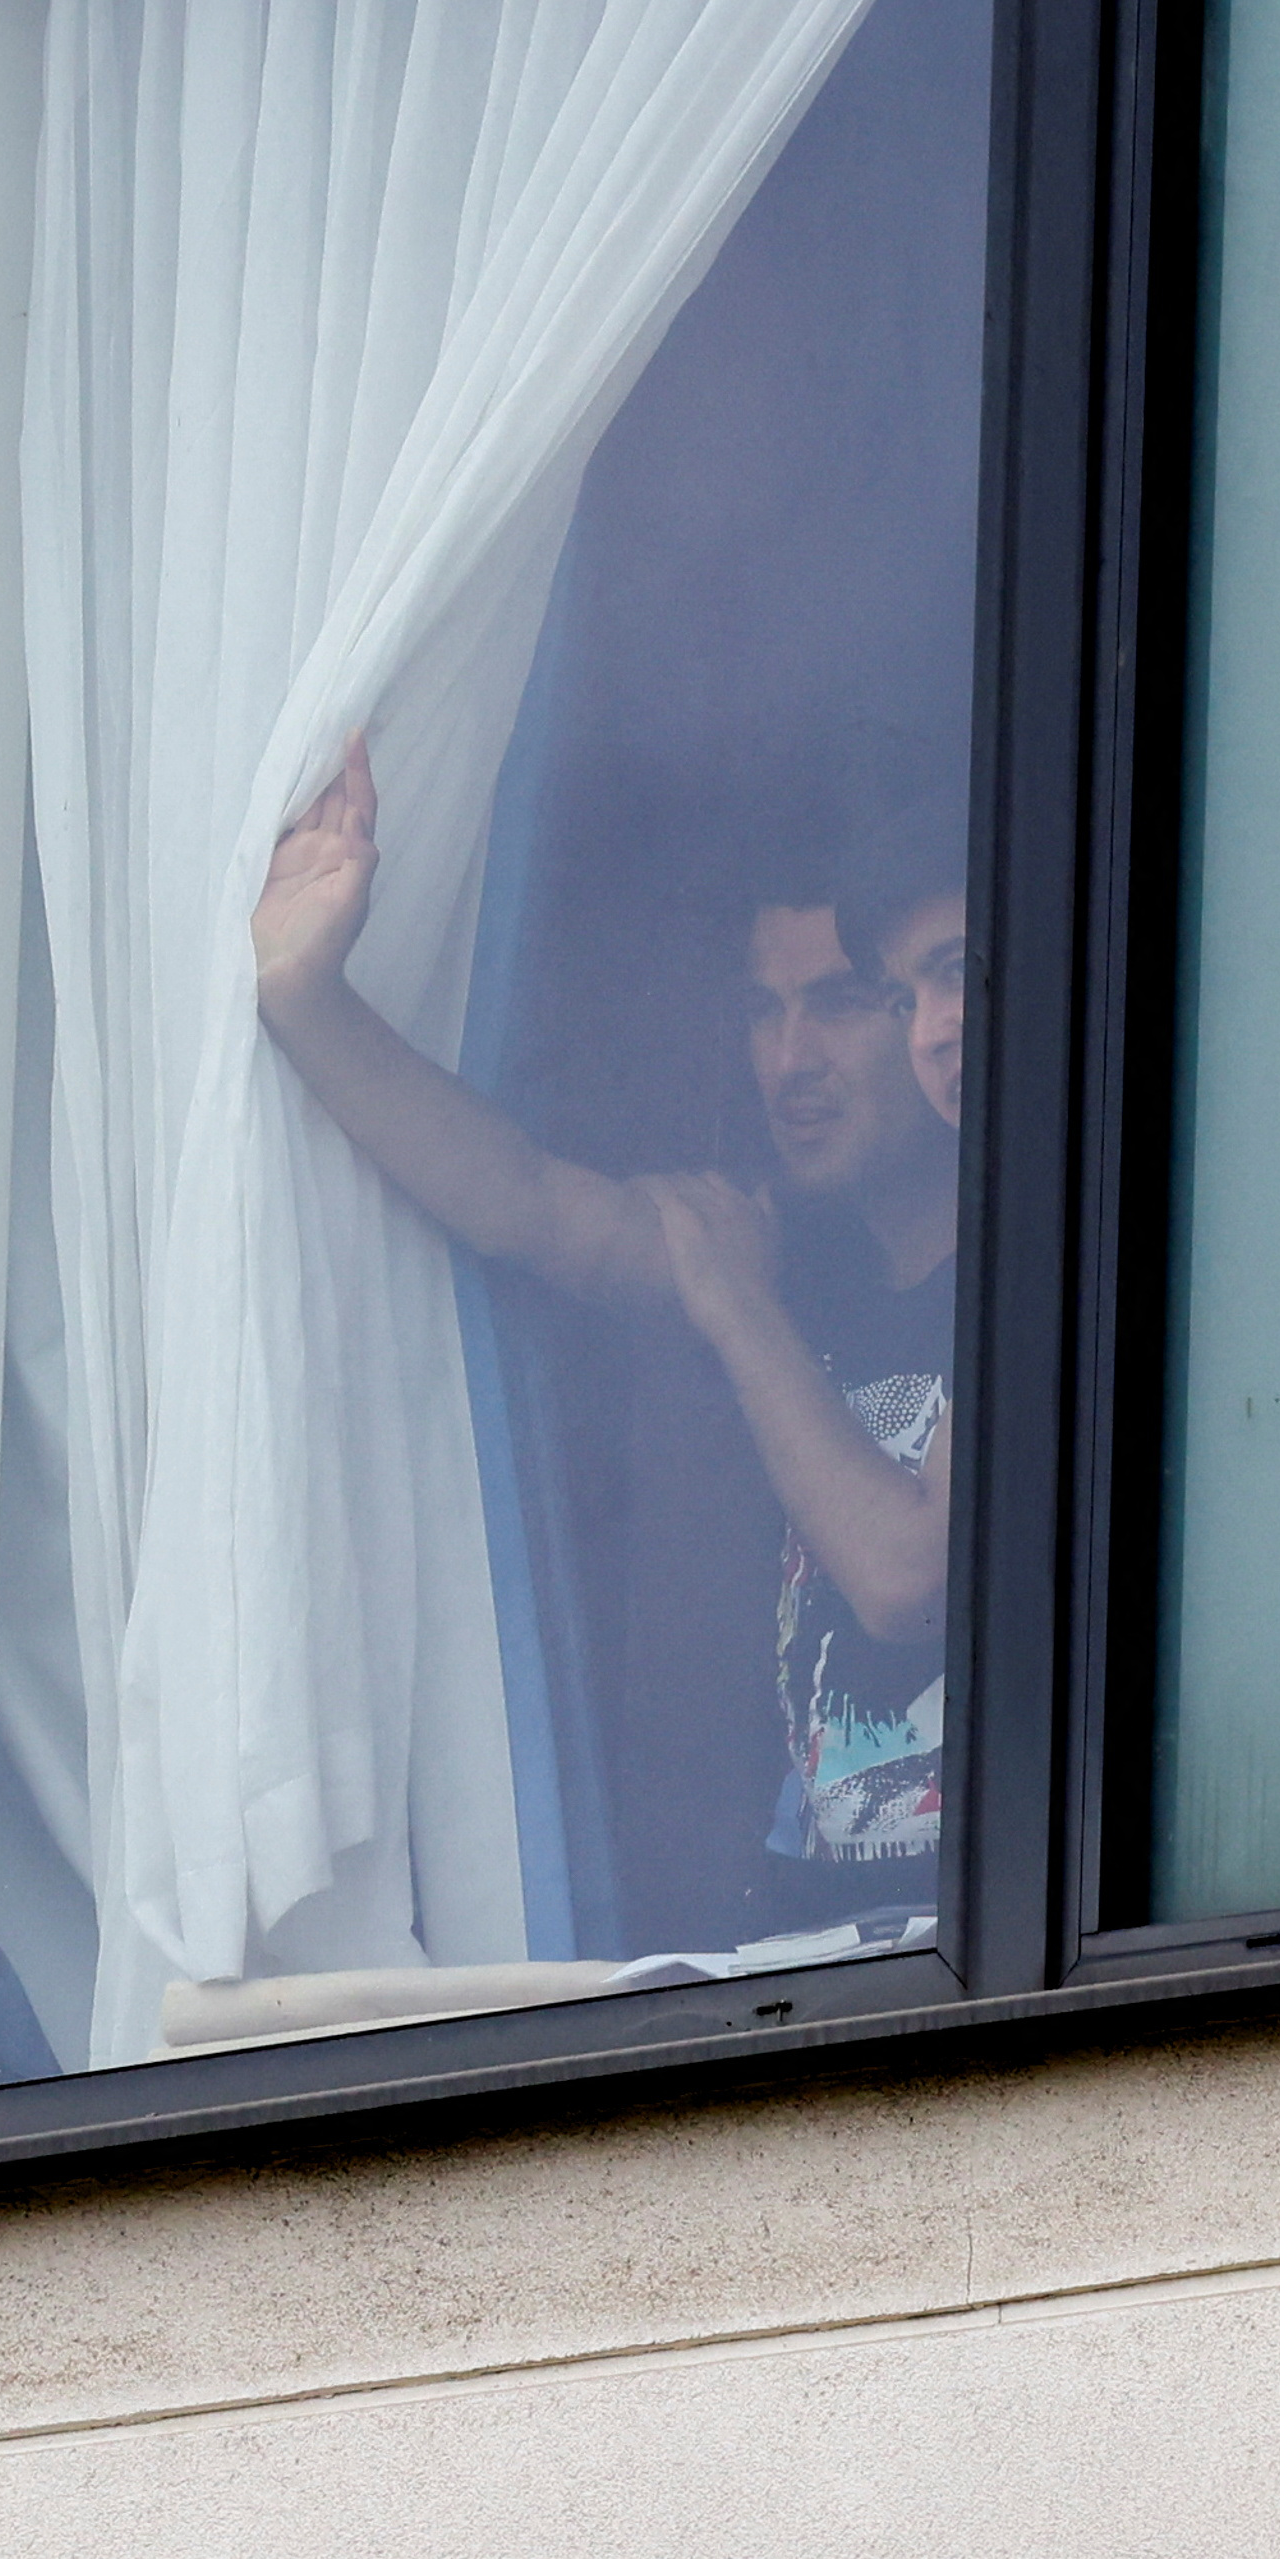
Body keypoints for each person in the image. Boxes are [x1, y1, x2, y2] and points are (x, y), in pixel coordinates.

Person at [246, 741, 959, 1913]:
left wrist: (739, 1310)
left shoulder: (1024, 1265)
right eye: (762, 1010)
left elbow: (902, 1580)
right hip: (820, 1937)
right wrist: (304, 998)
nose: (790, 1060)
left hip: (1002, 1946)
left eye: (837, 1004)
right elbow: (525, 1203)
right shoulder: (783, 1246)